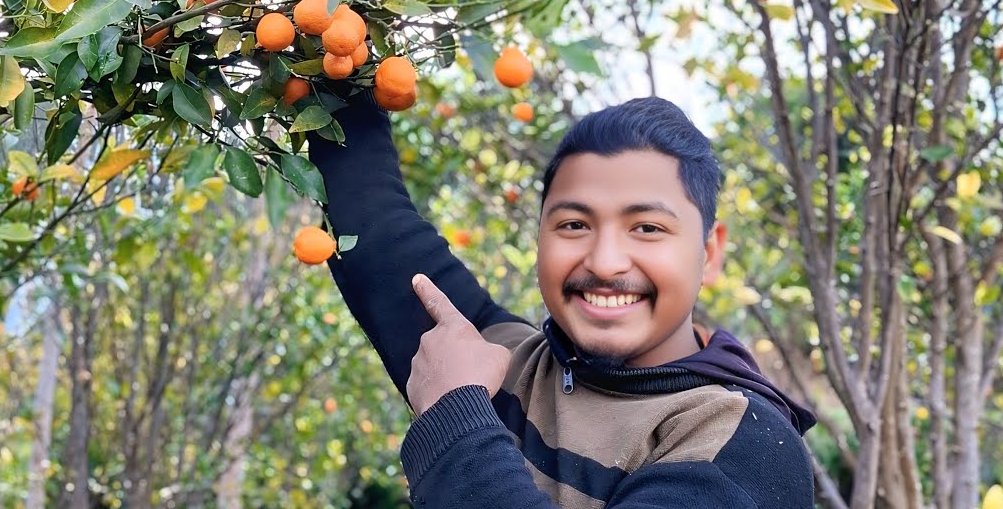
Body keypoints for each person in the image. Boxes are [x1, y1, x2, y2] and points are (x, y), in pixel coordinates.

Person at [308, 94, 816, 508]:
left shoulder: (740, 444)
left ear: (708, 252)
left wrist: (454, 415)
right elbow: (377, 229)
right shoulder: (507, 362)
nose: (605, 261)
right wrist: (341, 40)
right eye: (574, 224)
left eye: (647, 227)